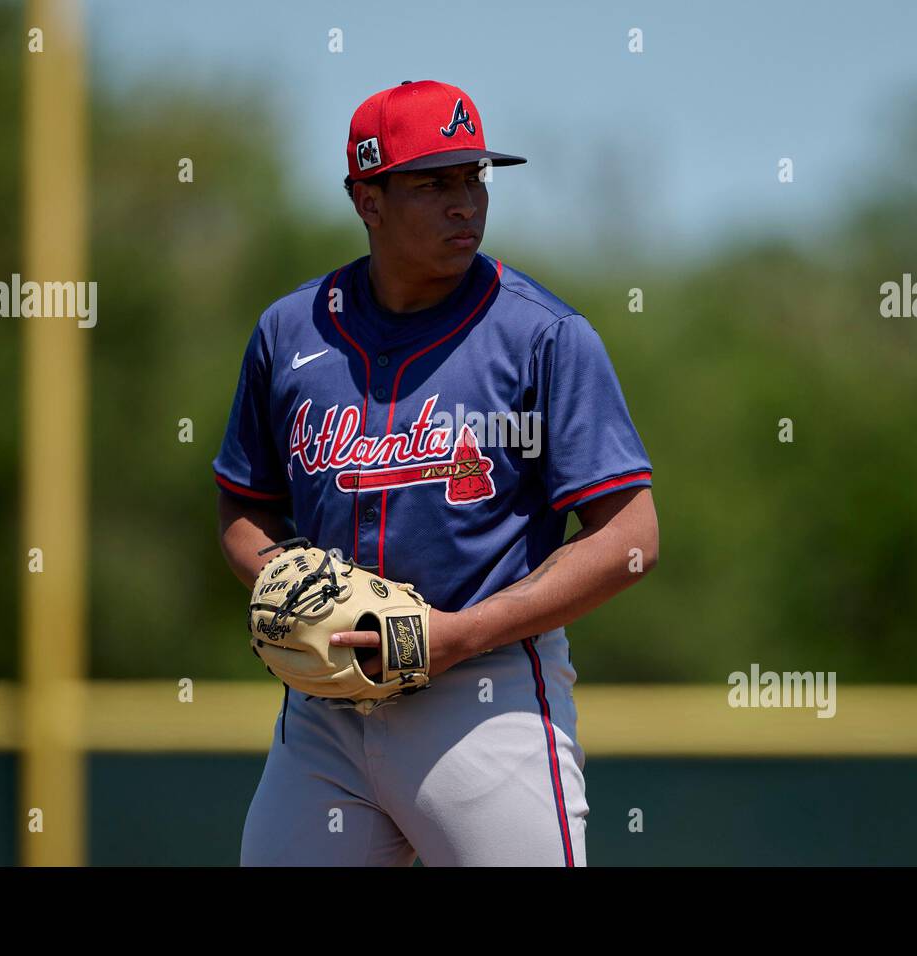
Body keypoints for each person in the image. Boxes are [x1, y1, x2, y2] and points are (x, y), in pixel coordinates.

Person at [214, 79, 658, 866]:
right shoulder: (290, 332)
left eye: (473, 178)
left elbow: (631, 538)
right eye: (433, 183)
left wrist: (455, 636)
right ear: (367, 198)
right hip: (324, 713)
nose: (466, 203)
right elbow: (244, 509)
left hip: (485, 706)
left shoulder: (544, 335)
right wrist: (286, 586)